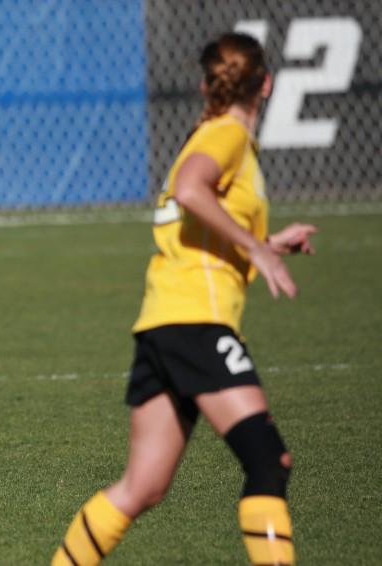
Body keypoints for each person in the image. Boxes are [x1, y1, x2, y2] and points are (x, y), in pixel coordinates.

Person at [50, 33, 317, 566]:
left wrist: (261, 243)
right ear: (265, 83)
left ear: (205, 85)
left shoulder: (205, 133)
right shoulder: (227, 137)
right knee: (269, 462)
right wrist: (256, 252)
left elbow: (197, 211)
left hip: (161, 324)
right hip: (198, 323)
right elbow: (193, 191)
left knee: (140, 488)